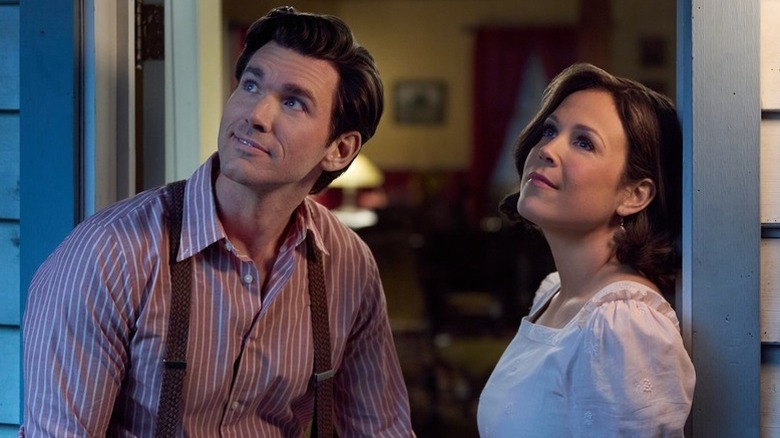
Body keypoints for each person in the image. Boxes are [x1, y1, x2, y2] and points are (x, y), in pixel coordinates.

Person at [21, 6, 414, 437]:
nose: (256, 115)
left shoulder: (347, 265)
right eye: (250, 85)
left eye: (293, 102)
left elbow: (382, 429)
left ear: (339, 149)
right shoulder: (107, 257)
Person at [477, 63, 695, 437]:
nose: (547, 149)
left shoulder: (623, 324)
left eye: (584, 142)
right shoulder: (554, 292)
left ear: (635, 195)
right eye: (550, 130)